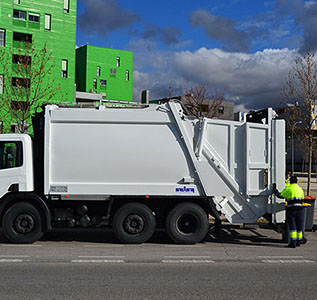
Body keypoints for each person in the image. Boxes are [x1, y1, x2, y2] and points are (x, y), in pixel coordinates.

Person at [274, 176, 305, 248]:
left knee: (292, 225)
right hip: (300, 208)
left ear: (290, 181)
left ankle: (293, 243)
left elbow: (280, 195)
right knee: (299, 224)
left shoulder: (288, 188)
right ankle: (299, 241)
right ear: (297, 182)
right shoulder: (300, 189)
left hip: (291, 209)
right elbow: (303, 198)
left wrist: (275, 191)